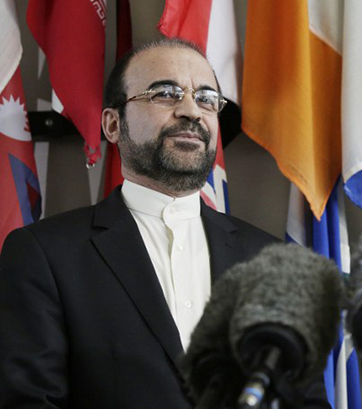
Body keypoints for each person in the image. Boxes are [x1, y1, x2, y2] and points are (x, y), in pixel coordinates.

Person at [0, 38, 327, 408]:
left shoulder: (275, 260)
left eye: (206, 98)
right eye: (166, 93)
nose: (191, 111)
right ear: (112, 124)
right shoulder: (45, 255)